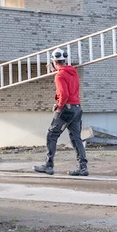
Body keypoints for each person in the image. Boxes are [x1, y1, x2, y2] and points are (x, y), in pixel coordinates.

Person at [34, 48, 88, 176]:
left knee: (51, 135)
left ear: (54, 61)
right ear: (64, 60)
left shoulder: (59, 76)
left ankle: (49, 165)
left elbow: (64, 94)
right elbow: (66, 77)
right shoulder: (73, 71)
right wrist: (55, 70)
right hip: (76, 108)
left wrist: (58, 107)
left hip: (66, 109)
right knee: (76, 137)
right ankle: (83, 167)